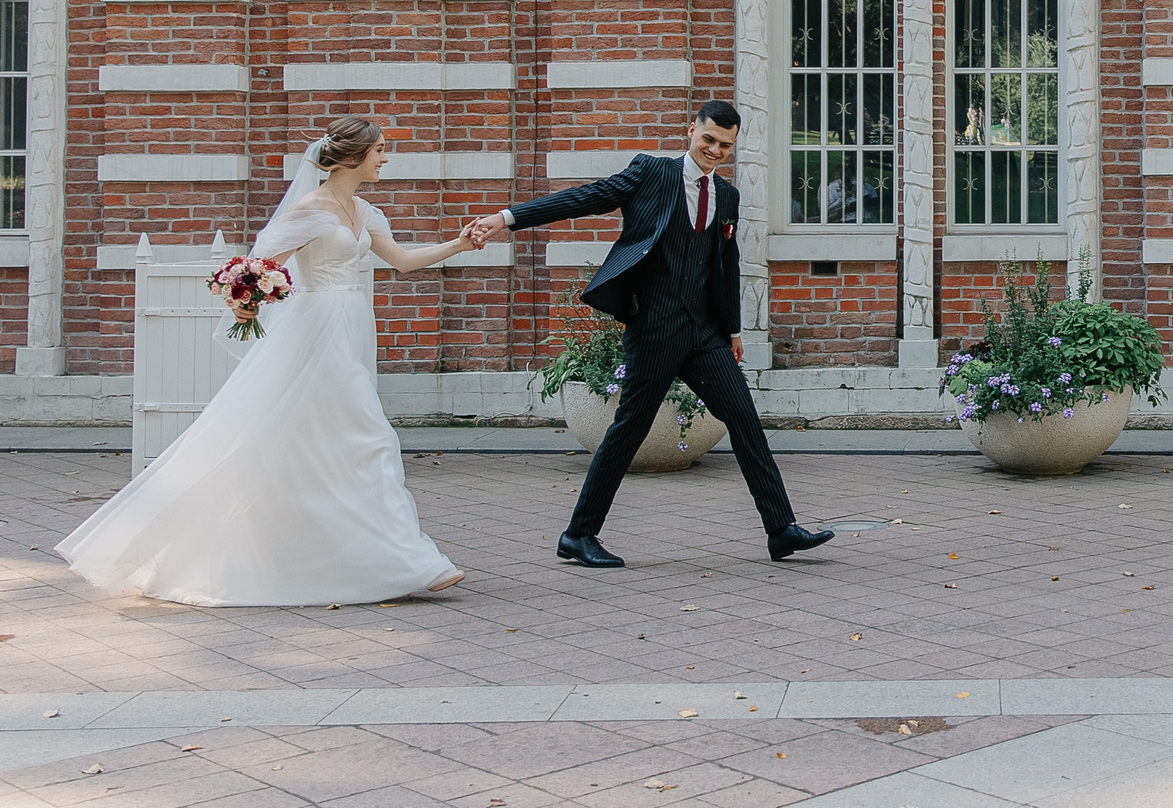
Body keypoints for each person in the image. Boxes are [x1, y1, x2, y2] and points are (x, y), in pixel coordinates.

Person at [59, 117, 486, 606]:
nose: (385, 159)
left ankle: (364, 554)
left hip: (350, 326)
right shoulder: (311, 209)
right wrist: (245, 299)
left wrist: (460, 243)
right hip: (315, 330)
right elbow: (258, 265)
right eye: (380, 151)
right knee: (366, 437)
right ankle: (414, 563)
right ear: (352, 157)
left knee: (326, 443)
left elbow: (403, 261)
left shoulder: (365, 211)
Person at [466, 100, 833, 569]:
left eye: (725, 145)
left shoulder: (727, 197)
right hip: (655, 328)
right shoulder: (650, 173)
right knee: (628, 430)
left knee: (744, 420)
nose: (715, 150)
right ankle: (578, 535)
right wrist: (505, 219)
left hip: (705, 333)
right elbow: (583, 198)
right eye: (708, 140)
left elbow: (725, 265)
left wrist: (735, 328)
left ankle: (780, 530)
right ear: (691, 131)